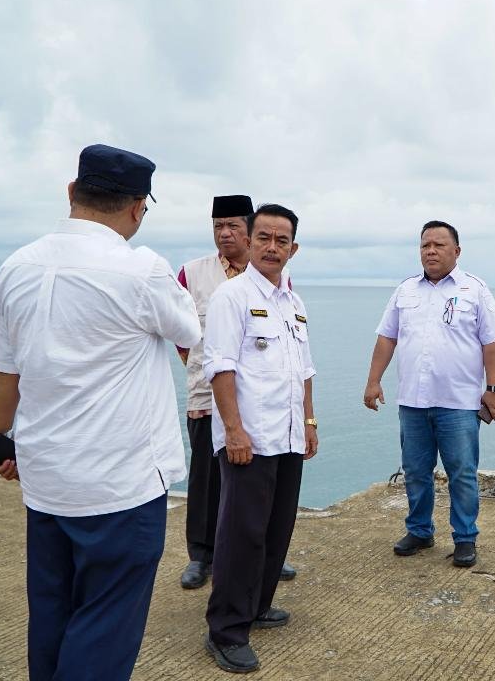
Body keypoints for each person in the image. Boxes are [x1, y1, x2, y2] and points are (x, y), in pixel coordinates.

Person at [0, 144, 201, 680]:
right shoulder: (142, 270)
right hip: (119, 485)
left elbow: (6, 374)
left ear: (71, 192)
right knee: (106, 626)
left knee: (53, 615)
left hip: (47, 480)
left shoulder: (14, 268)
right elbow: (190, 332)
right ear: (136, 208)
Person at [201, 203, 318, 674]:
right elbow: (220, 367)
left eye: (282, 240)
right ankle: (225, 630)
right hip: (249, 438)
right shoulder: (231, 297)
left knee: (276, 530)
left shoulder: (294, 302)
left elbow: (304, 370)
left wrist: (309, 423)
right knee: (241, 535)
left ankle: (257, 605)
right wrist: (233, 431)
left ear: (294, 248)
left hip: (288, 436)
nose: (273, 247)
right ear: (249, 241)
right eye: (264, 237)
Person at [364, 220, 495, 568]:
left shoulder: (475, 290)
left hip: (459, 403)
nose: (431, 251)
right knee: (415, 471)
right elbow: (387, 338)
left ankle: (464, 538)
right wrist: (373, 381)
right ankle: (419, 530)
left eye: (439, 245)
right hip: (413, 401)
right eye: (425, 245)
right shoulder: (405, 291)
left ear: (456, 251)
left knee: (461, 472)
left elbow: (492, 342)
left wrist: (493, 389)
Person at [176, 195, 298, 589]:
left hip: (257, 404)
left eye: (233, 226)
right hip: (205, 393)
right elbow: (181, 334)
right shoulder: (191, 273)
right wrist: (199, 367)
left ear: (249, 234)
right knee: (206, 478)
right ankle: (201, 554)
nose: (225, 233)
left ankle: (260, 555)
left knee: (256, 487)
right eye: (217, 226)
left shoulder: (270, 276)